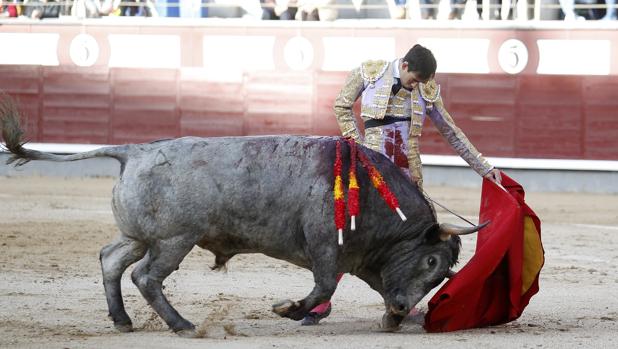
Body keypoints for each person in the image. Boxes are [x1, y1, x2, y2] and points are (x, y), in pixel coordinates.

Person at [301, 44, 502, 326]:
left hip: (408, 176)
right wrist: (358, 146)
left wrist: (484, 167)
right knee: (349, 233)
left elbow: (452, 133)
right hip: (370, 173)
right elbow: (341, 105)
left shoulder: (426, 90)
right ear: (405, 65)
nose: (417, 86)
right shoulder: (369, 72)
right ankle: (322, 300)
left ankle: (400, 303)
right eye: (415, 80)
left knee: (413, 243)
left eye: (422, 82)